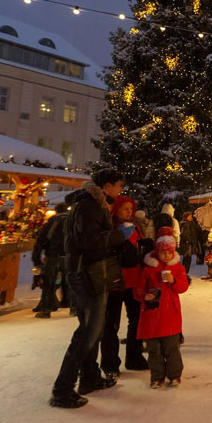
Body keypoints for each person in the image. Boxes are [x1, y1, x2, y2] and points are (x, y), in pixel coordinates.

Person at [50, 169, 127, 409]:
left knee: (94, 328)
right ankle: (62, 389)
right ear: (106, 186)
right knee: (88, 332)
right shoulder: (88, 207)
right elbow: (89, 242)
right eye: (118, 186)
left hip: (91, 273)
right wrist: (118, 236)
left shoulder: (94, 205)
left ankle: (90, 377)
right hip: (87, 275)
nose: (120, 191)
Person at [100, 195, 151, 376]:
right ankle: (110, 363)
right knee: (111, 324)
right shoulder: (109, 228)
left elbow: (139, 248)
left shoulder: (135, 227)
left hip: (134, 281)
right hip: (115, 282)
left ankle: (134, 357)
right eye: (125, 208)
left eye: (131, 208)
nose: (129, 211)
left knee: (136, 320)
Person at [134, 227, 189, 388]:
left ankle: (174, 375)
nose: (166, 255)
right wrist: (144, 295)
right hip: (151, 315)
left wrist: (173, 281)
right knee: (154, 349)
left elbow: (183, 286)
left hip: (170, 315)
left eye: (169, 252)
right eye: (163, 252)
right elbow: (138, 289)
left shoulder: (177, 268)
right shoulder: (148, 269)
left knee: (171, 348)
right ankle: (156, 376)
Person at [32, 203, 68, 318]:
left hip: (53, 256)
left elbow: (40, 241)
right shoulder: (73, 222)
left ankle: (46, 309)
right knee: (69, 282)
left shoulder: (52, 223)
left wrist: (37, 259)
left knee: (49, 282)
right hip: (69, 256)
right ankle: (73, 307)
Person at [178, 211, 202, 277]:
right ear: (187, 217)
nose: (191, 217)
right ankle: (183, 273)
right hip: (187, 244)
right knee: (187, 259)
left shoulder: (190, 223)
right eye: (190, 216)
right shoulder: (185, 224)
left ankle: (184, 273)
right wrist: (187, 240)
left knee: (187, 259)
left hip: (189, 244)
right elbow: (184, 234)